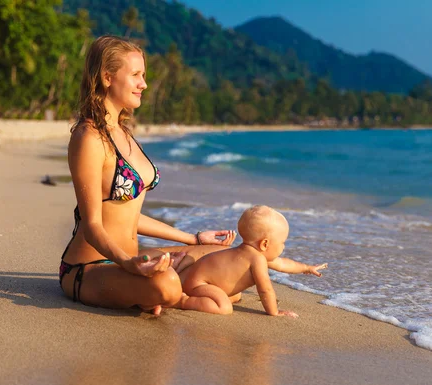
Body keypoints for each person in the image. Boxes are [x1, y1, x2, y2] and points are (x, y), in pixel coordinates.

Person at [60, 35, 236, 315]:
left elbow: (127, 214)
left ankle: (166, 288)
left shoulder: (124, 133)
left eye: (144, 75)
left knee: (224, 257)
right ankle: (172, 292)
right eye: (136, 75)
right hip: (90, 268)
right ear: (107, 77)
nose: (144, 83)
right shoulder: (89, 137)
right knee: (166, 283)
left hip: (130, 260)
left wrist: (193, 239)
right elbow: (93, 225)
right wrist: (128, 265)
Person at [175, 205, 328, 317]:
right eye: (282, 242)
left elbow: (282, 264)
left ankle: (190, 296)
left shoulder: (252, 253)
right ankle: (181, 301)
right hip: (199, 284)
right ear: (265, 244)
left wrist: (306, 268)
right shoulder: (257, 259)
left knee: (235, 296)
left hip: (201, 280)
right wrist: (274, 311)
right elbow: (265, 290)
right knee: (224, 308)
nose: (283, 246)